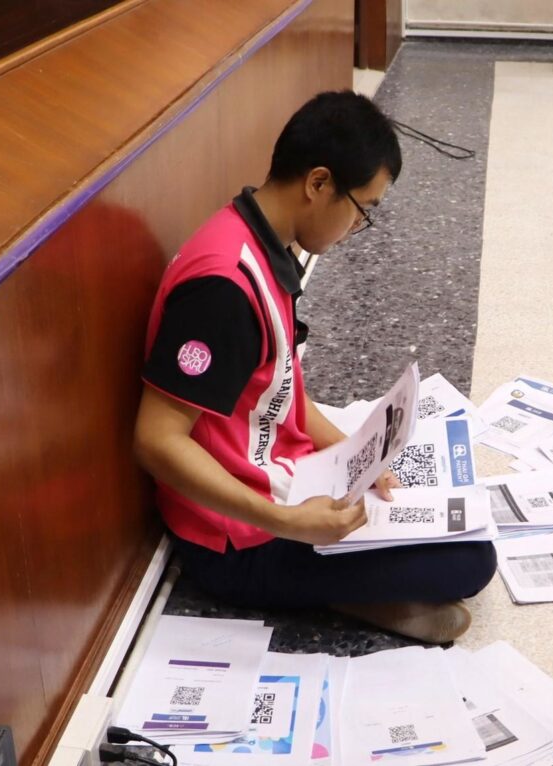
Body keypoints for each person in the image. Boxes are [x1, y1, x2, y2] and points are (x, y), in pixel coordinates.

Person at [133, 91, 496, 643]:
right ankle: (337, 593)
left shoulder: (260, 241)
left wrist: (356, 456)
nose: (356, 227)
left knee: (460, 529)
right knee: (471, 560)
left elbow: (278, 387)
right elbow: (156, 440)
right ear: (319, 183)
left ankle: (343, 584)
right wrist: (288, 523)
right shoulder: (223, 288)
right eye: (362, 209)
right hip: (237, 541)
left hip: (286, 479)